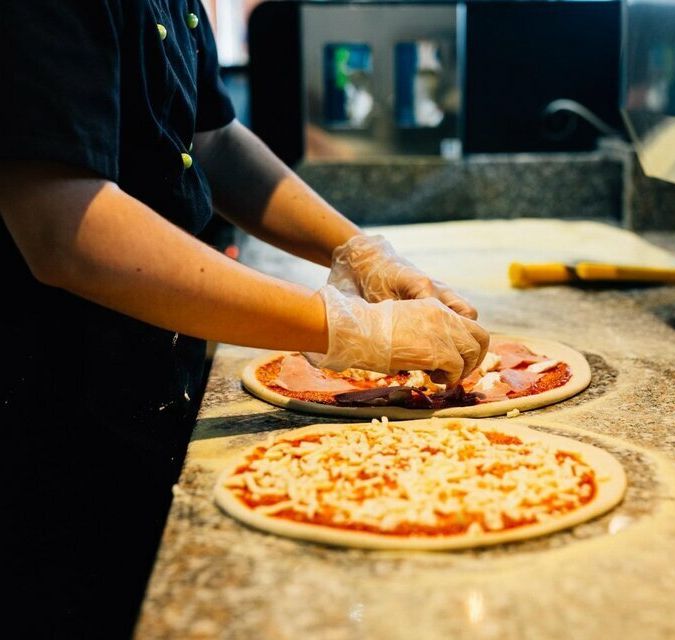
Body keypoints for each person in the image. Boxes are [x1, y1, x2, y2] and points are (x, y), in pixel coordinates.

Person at [0, 2, 488, 637]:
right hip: (40, 417)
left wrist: (359, 250)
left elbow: (214, 141)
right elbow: (64, 228)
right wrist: (348, 328)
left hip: (144, 383)